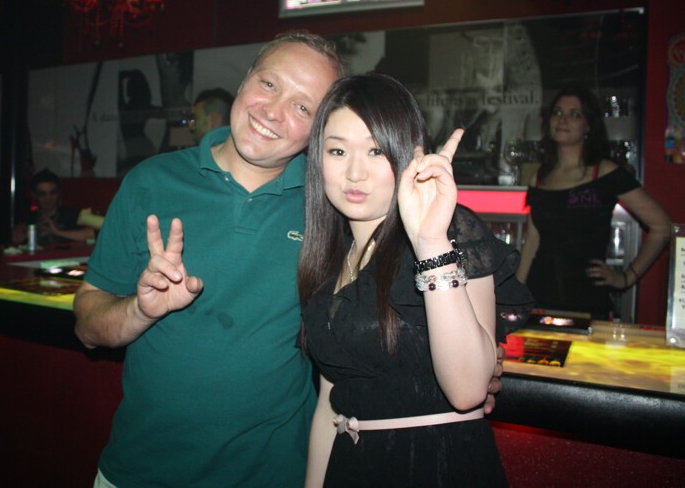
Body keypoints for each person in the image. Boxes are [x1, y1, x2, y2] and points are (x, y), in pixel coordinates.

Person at [72, 32, 505, 487]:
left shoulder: (334, 204)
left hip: (272, 473)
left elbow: (405, 307)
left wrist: (464, 367)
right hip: (138, 471)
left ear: (317, 130)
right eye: (269, 84)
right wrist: (139, 311)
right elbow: (86, 325)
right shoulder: (150, 182)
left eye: (302, 106)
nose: (273, 112)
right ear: (245, 79)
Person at [299, 73, 530, 487]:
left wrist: (430, 243)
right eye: (337, 150)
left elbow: (468, 390)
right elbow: (329, 409)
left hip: (437, 466)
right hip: (352, 468)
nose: (355, 173)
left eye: (375, 151)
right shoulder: (328, 259)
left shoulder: (450, 232)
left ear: (408, 155)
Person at [517, 86, 671, 320]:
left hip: (587, 299)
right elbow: (532, 242)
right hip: (539, 296)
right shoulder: (538, 177)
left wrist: (626, 277)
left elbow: (662, 227)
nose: (563, 119)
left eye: (574, 114)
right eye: (557, 112)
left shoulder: (605, 172)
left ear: (588, 126)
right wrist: (515, 294)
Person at [11, 168, 102, 246]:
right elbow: (15, 241)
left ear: (58, 193)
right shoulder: (28, 218)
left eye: (52, 193)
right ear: (34, 195)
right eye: (42, 194)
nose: (48, 198)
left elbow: (91, 234)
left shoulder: (70, 214)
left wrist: (57, 231)